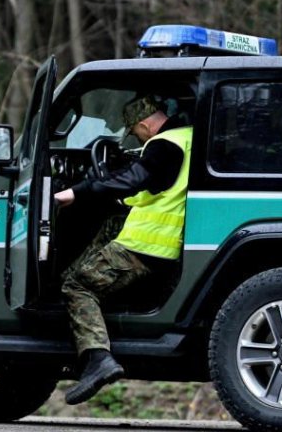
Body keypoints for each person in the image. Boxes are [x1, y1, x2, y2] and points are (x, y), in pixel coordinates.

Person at [53, 95, 193, 405]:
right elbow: (152, 189)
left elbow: (133, 179)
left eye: (135, 132)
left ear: (145, 125)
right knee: (110, 222)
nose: (137, 137)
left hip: (147, 246)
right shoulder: (190, 137)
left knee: (76, 284)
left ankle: (97, 359)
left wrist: (78, 191)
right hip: (169, 242)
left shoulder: (164, 145)